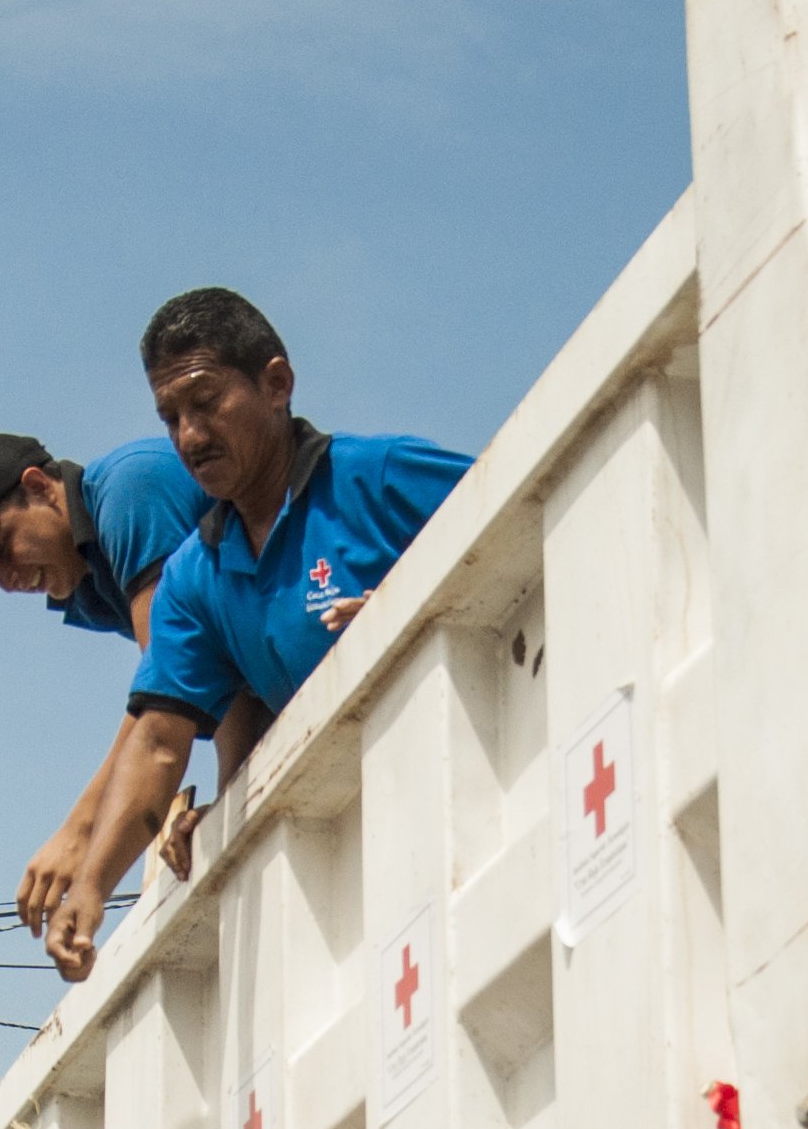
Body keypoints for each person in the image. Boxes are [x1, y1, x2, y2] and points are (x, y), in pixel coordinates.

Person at [27, 290, 473, 979]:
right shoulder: (193, 579)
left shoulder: (375, 478)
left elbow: (524, 518)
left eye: (205, 402)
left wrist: (421, 596)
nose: (190, 436)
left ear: (276, 384)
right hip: (358, 864)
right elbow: (157, 740)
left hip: (472, 797)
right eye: (170, 416)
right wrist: (92, 886)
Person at [0, 429, 237, 962]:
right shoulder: (94, 584)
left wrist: (82, 835)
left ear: (40, 487)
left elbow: (168, 705)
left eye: (1, 549)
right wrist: (234, 796)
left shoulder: (130, 493)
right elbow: (221, 673)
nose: (7, 581)